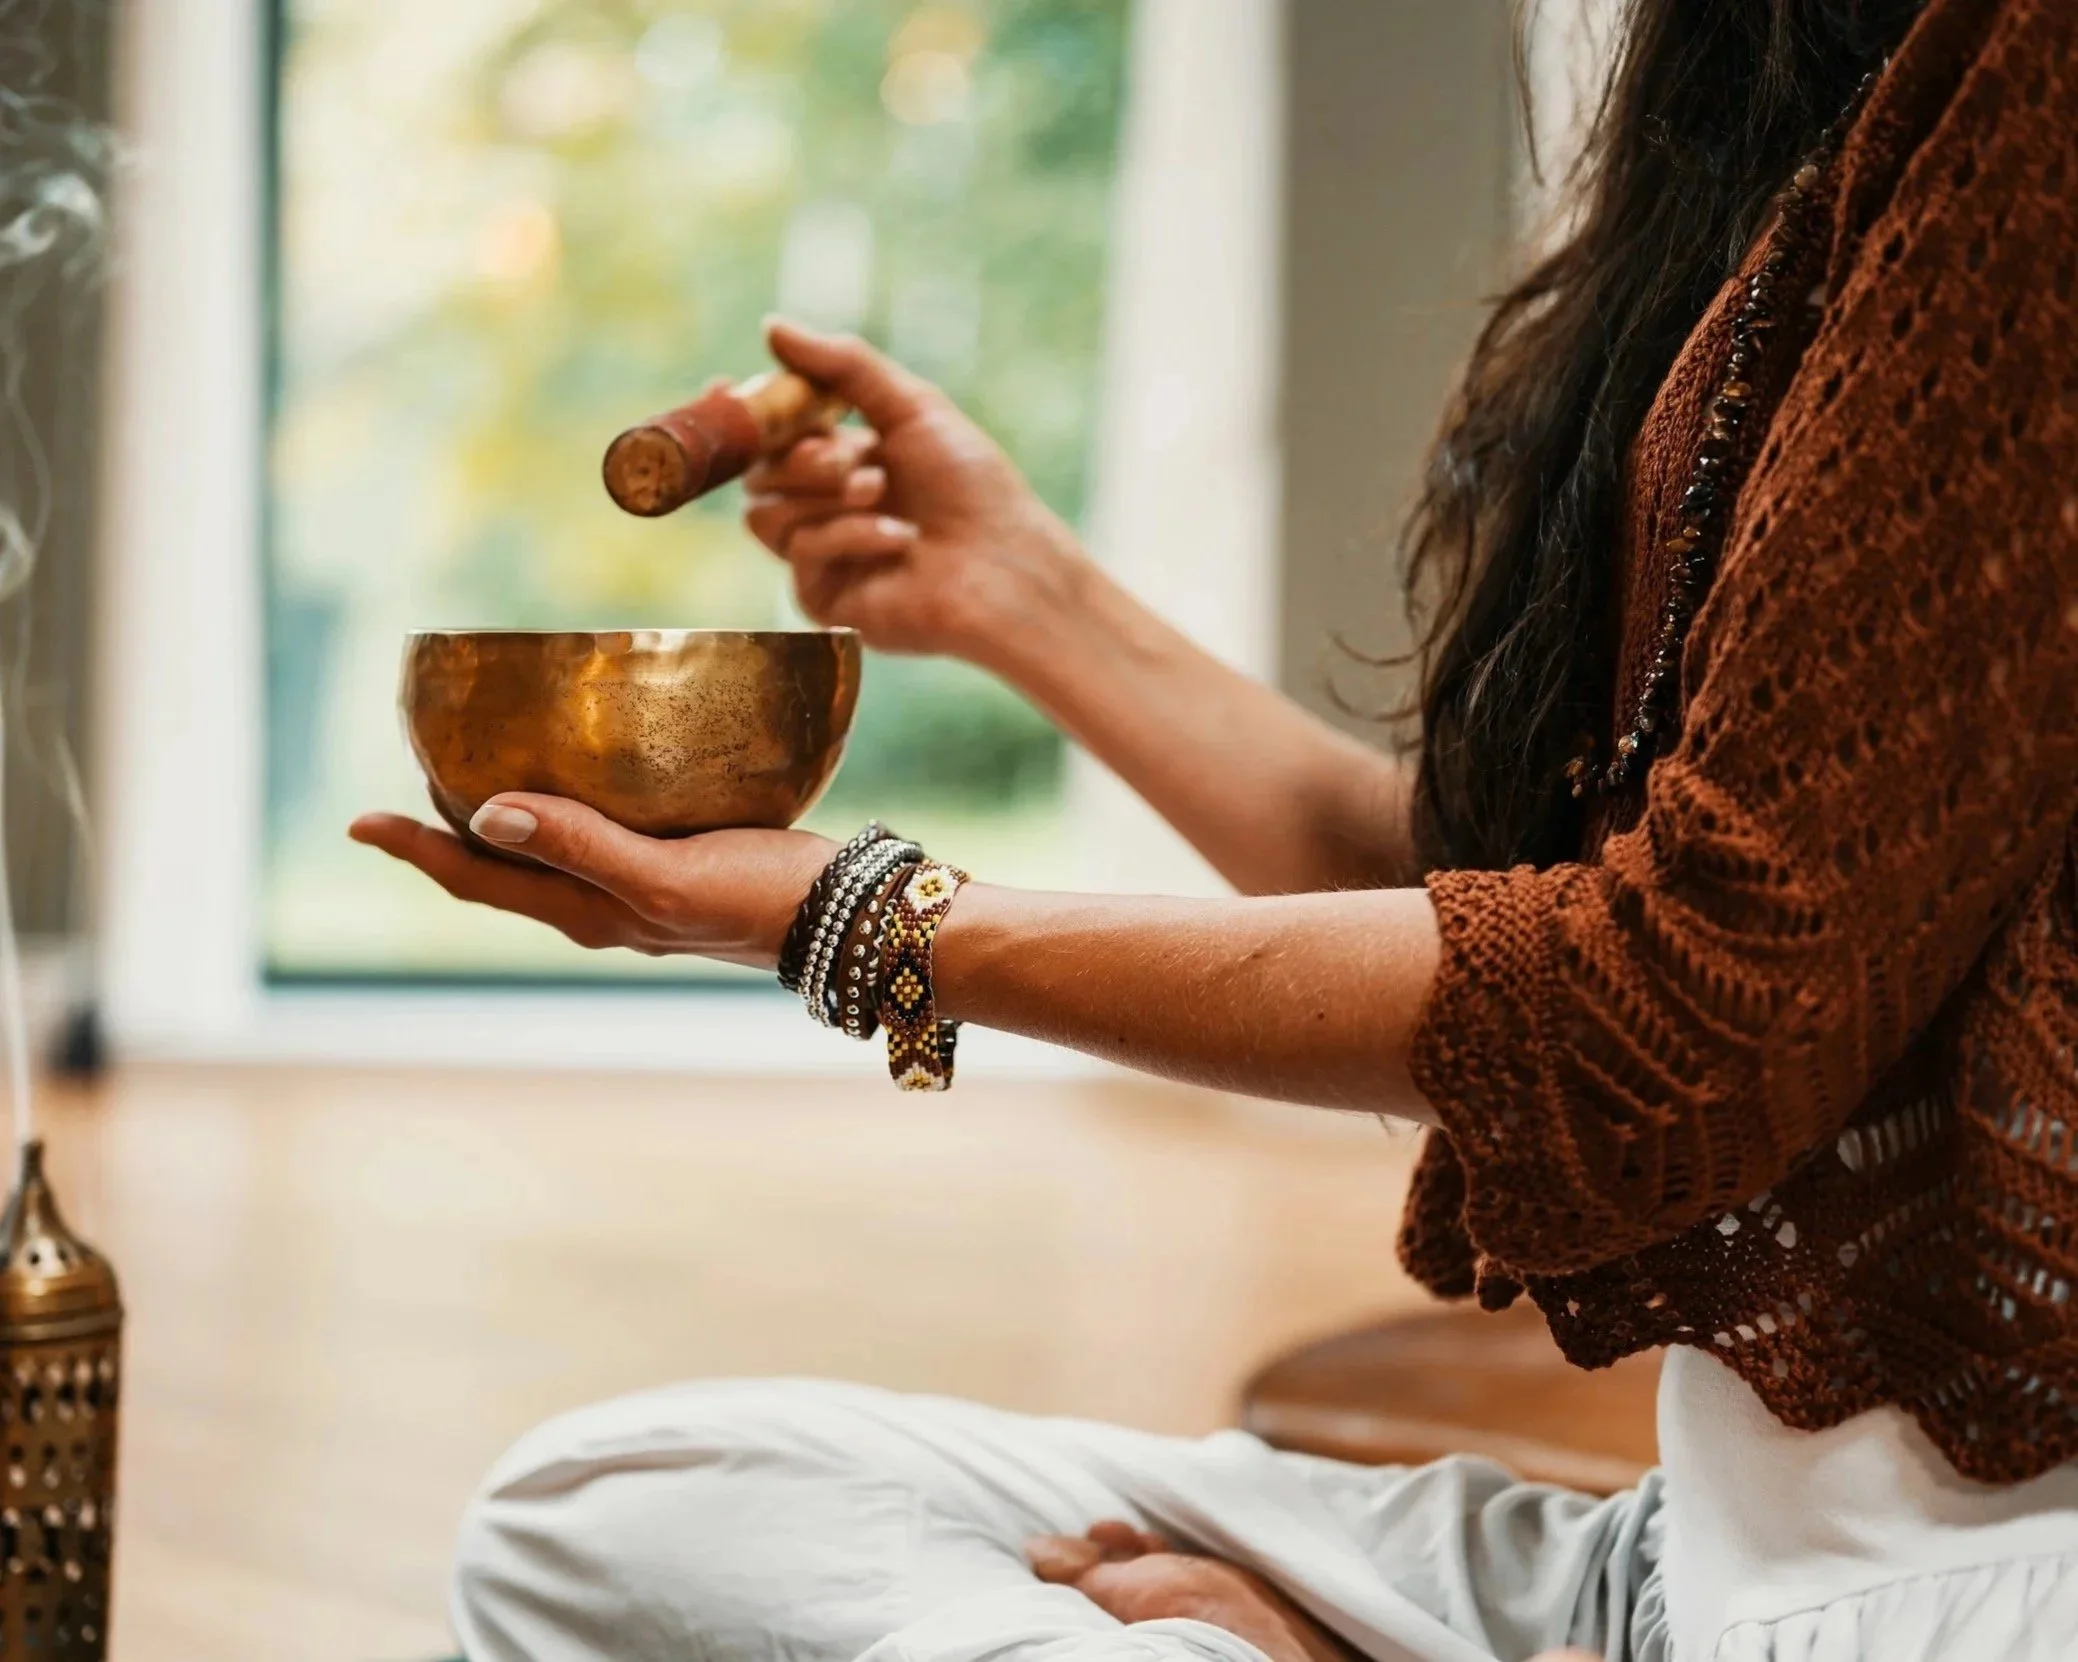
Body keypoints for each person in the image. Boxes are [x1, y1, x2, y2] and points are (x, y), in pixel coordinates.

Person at [351, 0, 2078, 1655]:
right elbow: (1509, 913)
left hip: (1965, 1601)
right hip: (1675, 1562)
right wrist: (1026, 600)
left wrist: (853, 918)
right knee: (608, 1510)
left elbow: (1670, 1009)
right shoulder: (1817, 90)